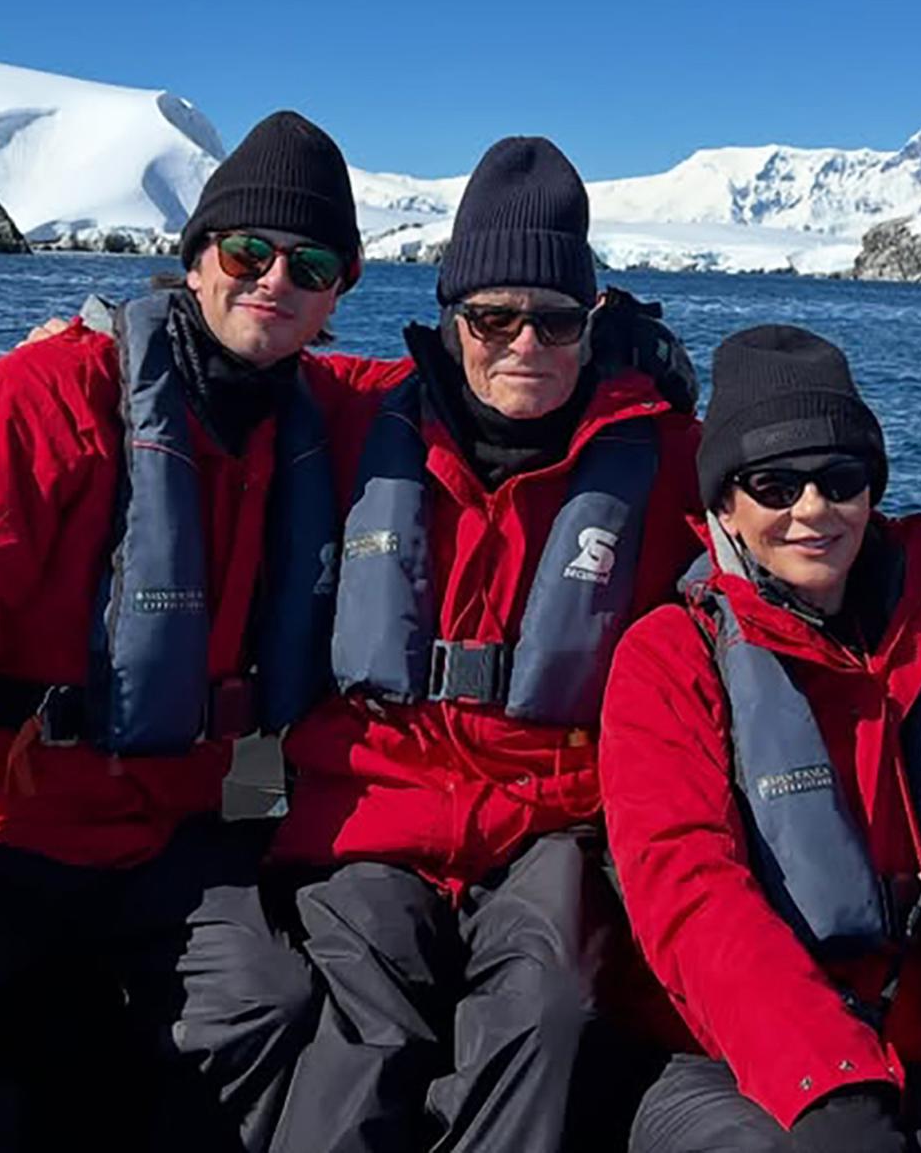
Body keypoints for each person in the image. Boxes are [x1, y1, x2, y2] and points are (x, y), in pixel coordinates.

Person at [0, 111, 385, 1153]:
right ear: (195, 257)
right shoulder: (21, 409)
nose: (275, 281)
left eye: (313, 263)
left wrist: (614, 349)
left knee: (274, 1006)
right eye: (248, 251)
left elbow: (491, 385)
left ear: (339, 293)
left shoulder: (317, 412)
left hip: (164, 838)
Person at [264, 136, 704, 1153]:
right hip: (371, 804)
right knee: (362, 1023)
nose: (523, 345)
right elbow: (223, 364)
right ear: (450, 320)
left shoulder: (667, 451)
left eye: (553, 320)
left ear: (593, 325)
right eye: (492, 318)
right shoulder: (357, 413)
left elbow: (802, 502)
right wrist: (97, 341)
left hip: (552, 816)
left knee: (550, 1009)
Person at [603, 324, 921, 1153]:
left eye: (841, 481)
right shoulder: (668, 659)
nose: (812, 512)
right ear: (723, 502)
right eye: (773, 484)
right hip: (731, 1062)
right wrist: (826, 1078)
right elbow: (687, 888)